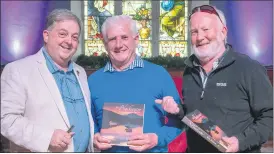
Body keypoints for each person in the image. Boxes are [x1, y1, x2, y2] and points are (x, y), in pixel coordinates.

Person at [155, 5, 273, 153]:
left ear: (223, 32)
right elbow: (195, 115)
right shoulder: (189, 71)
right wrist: (178, 110)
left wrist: (240, 142)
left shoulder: (249, 68)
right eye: (194, 31)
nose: (199, 37)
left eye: (205, 30)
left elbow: (269, 116)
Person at [1, 9, 94, 152]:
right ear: (46, 35)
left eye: (74, 37)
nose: (69, 41)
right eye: (62, 34)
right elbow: (6, 119)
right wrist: (47, 137)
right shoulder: (18, 70)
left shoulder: (80, 72)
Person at [88, 15, 183, 152]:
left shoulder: (159, 74)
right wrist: (94, 136)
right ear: (105, 44)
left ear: (136, 39)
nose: (119, 44)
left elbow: (179, 120)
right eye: (112, 39)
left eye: (124, 37)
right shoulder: (93, 81)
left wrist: (157, 138)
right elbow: (89, 123)